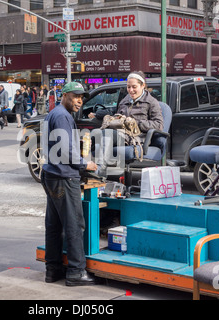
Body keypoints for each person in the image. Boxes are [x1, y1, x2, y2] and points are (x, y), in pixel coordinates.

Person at [41, 82, 98, 286]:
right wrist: (85, 164)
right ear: (64, 95)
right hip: (63, 177)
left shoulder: (55, 113)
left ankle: (52, 270)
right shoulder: (63, 116)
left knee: (54, 225)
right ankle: (76, 272)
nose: (80, 101)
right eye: (75, 96)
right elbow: (66, 151)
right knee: (74, 224)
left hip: (51, 174)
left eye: (81, 97)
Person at [97, 71, 164, 174]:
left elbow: (158, 125)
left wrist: (134, 122)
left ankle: (100, 169)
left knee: (106, 135)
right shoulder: (124, 101)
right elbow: (118, 116)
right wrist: (118, 118)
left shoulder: (151, 102)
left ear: (143, 86)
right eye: (128, 87)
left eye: (134, 87)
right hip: (121, 133)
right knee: (95, 135)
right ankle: (87, 169)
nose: (131, 90)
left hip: (137, 137)